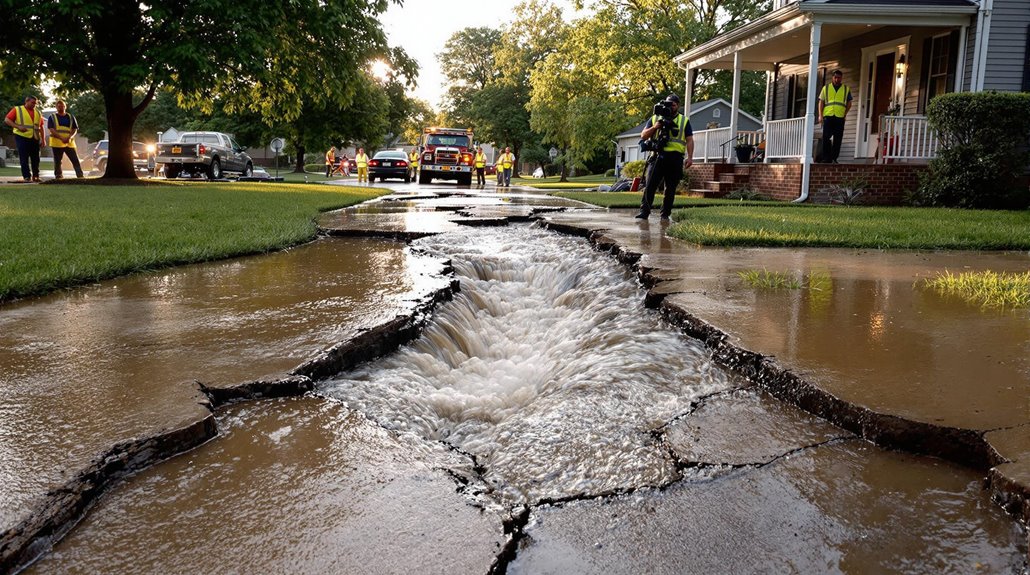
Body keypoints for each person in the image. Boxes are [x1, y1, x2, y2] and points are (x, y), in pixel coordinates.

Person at [637, 94, 694, 221]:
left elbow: (689, 140)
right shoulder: (655, 118)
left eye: (673, 105)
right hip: (657, 156)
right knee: (650, 185)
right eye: (668, 104)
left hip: (675, 158)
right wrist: (655, 126)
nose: (670, 107)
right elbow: (643, 136)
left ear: (678, 106)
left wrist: (690, 157)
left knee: (670, 188)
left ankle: (665, 214)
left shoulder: (684, 120)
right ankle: (644, 212)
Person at [4, 96, 46, 182]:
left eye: (35, 103)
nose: (34, 105)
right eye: (32, 103)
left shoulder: (38, 112)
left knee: (36, 158)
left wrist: (43, 139)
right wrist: (18, 127)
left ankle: (36, 176)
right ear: (26, 101)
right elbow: (7, 120)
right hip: (21, 136)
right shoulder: (17, 109)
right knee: (24, 157)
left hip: (35, 137)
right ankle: (27, 176)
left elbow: (41, 126)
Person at [817, 69, 852, 163]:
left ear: (841, 78)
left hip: (840, 117)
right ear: (832, 78)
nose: (837, 79)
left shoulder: (845, 89)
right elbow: (821, 102)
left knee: (838, 138)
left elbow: (849, 103)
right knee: (826, 137)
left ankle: (834, 158)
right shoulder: (826, 88)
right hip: (828, 116)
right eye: (835, 77)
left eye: (839, 78)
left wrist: (845, 113)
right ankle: (826, 158)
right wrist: (820, 115)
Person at [47, 99, 84, 179]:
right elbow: (51, 129)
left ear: (65, 107)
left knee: (75, 159)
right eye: (59, 106)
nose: (61, 108)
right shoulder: (52, 117)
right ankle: (58, 175)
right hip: (57, 142)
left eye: (62, 106)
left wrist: (69, 137)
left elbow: (74, 129)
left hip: (69, 142)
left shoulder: (71, 117)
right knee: (57, 161)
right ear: (56, 107)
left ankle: (80, 175)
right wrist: (61, 138)